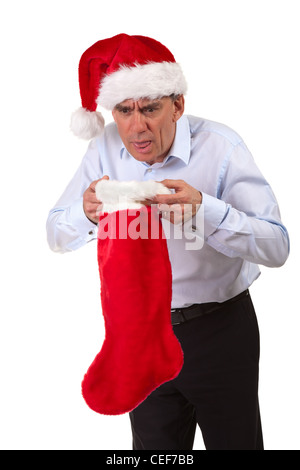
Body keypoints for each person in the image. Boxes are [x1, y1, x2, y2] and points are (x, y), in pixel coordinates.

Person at [46, 34, 290, 450]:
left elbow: (277, 247)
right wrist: (86, 214)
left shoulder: (222, 147)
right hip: (140, 334)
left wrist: (205, 211)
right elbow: (56, 234)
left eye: (150, 109)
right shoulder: (104, 149)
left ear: (177, 104)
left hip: (221, 330)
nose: (136, 126)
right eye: (124, 111)